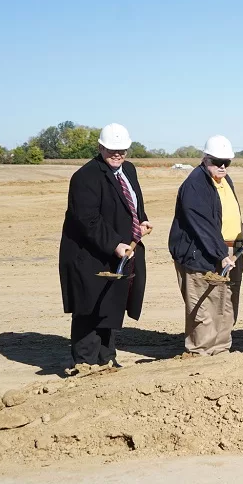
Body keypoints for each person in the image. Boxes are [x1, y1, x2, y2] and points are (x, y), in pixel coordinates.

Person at [59, 123, 153, 367]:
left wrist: (141, 221)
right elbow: (88, 220)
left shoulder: (128, 170)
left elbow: (133, 202)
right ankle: (85, 363)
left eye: (122, 150)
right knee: (90, 307)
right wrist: (115, 244)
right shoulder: (85, 177)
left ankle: (107, 358)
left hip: (119, 252)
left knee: (111, 305)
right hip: (89, 254)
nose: (117, 155)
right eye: (112, 150)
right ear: (100, 147)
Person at [169, 135, 243, 355]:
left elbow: (226, 213)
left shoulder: (224, 179)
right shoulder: (195, 185)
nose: (223, 166)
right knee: (205, 308)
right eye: (217, 161)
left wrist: (242, 235)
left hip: (228, 252)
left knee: (226, 305)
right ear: (205, 158)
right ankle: (200, 353)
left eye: (227, 162)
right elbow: (202, 225)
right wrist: (220, 254)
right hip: (202, 255)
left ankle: (221, 350)